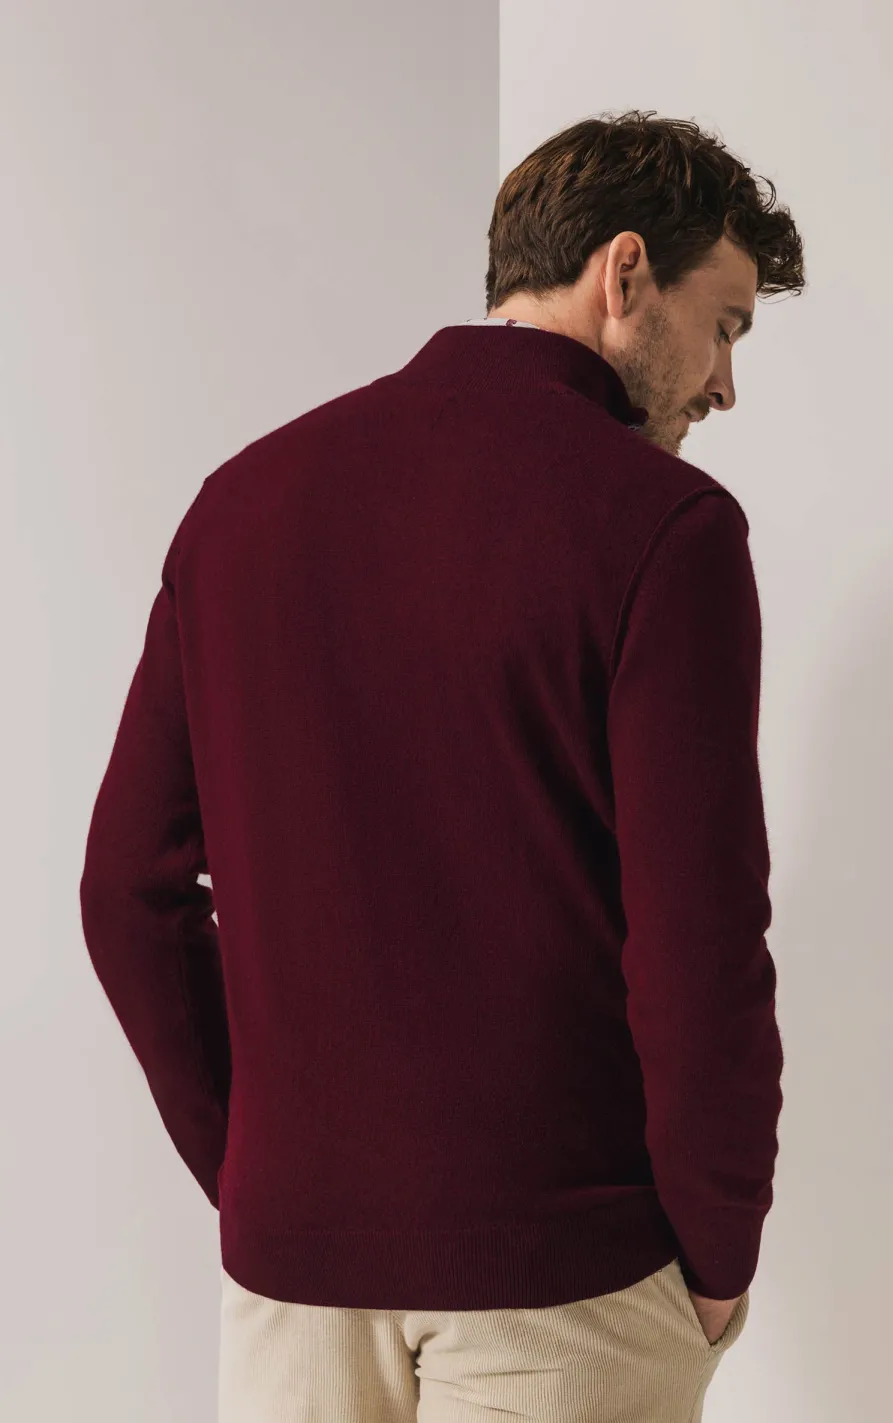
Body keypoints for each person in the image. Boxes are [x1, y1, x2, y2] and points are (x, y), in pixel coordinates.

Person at [79, 108, 805, 1422]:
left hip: (296, 1278)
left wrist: (261, 1179)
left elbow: (125, 890)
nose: (723, 385)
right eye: (726, 325)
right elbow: (698, 941)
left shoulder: (243, 502)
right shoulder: (666, 527)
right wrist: (719, 1248)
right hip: (566, 1279)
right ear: (624, 272)